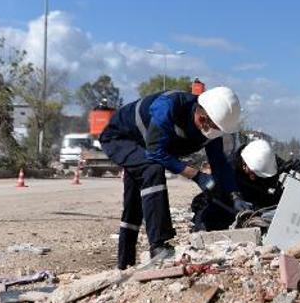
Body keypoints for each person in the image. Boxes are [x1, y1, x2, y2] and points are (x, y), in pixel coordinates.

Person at [99, 87, 252, 269]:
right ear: (202, 118)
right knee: (152, 169)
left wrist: (235, 195)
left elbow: (219, 162)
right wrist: (196, 175)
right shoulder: (168, 107)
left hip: (144, 147)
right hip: (120, 137)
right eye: (214, 128)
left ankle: (125, 264)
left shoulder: (211, 128)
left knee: (134, 203)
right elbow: (156, 152)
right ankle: (159, 245)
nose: (215, 133)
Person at [191, 139, 300, 232]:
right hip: (236, 209)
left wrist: (291, 166)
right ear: (245, 165)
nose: (254, 178)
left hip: (264, 204)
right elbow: (206, 201)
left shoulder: (264, 159)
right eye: (253, 174)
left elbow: (281, 167)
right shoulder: (228, 170)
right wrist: (200, 224)